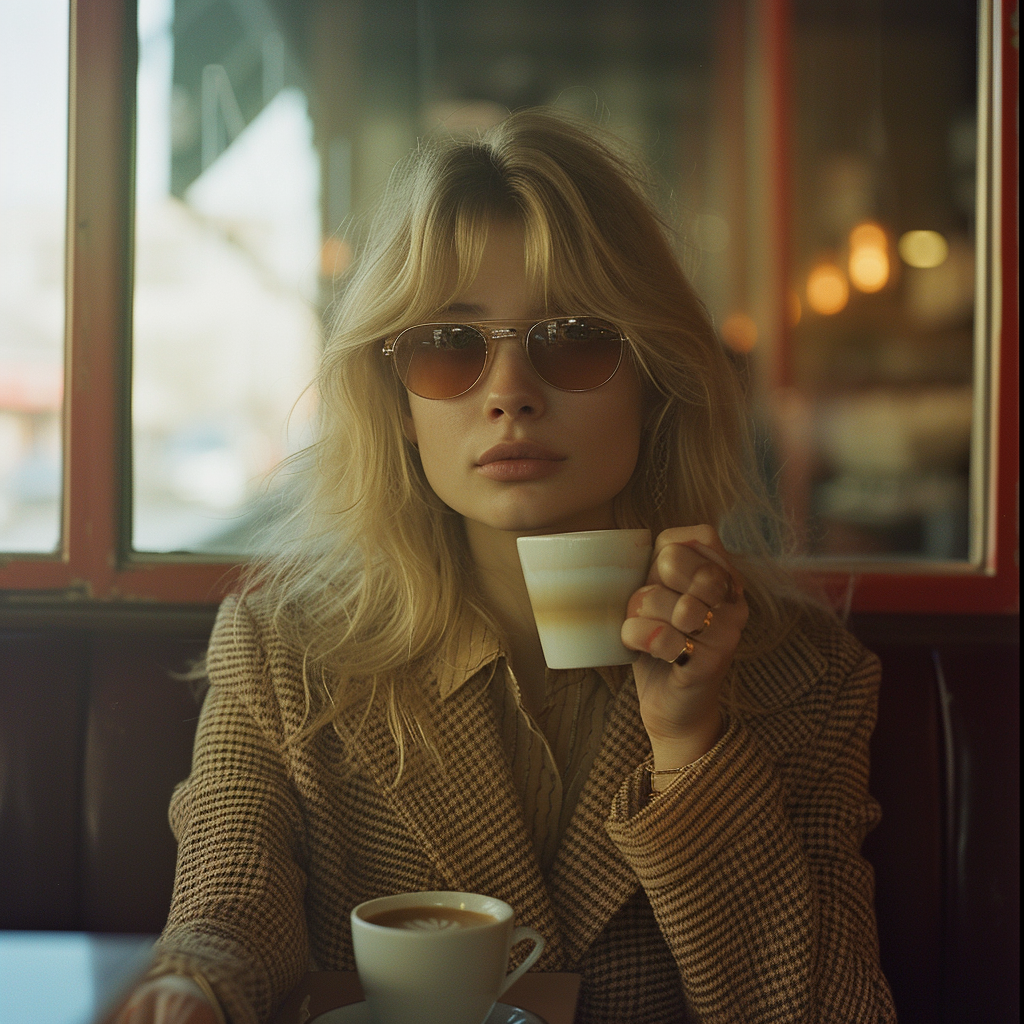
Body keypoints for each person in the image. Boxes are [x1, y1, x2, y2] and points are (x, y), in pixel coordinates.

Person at [119, 108, 896, 1024]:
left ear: (653, 379)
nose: (510, 396)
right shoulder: (286, 650)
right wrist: (187, 993)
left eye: (573, 338)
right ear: (398, 402)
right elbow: (226, 916)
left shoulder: (801, 673)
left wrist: (692, 749)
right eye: (448, 347)